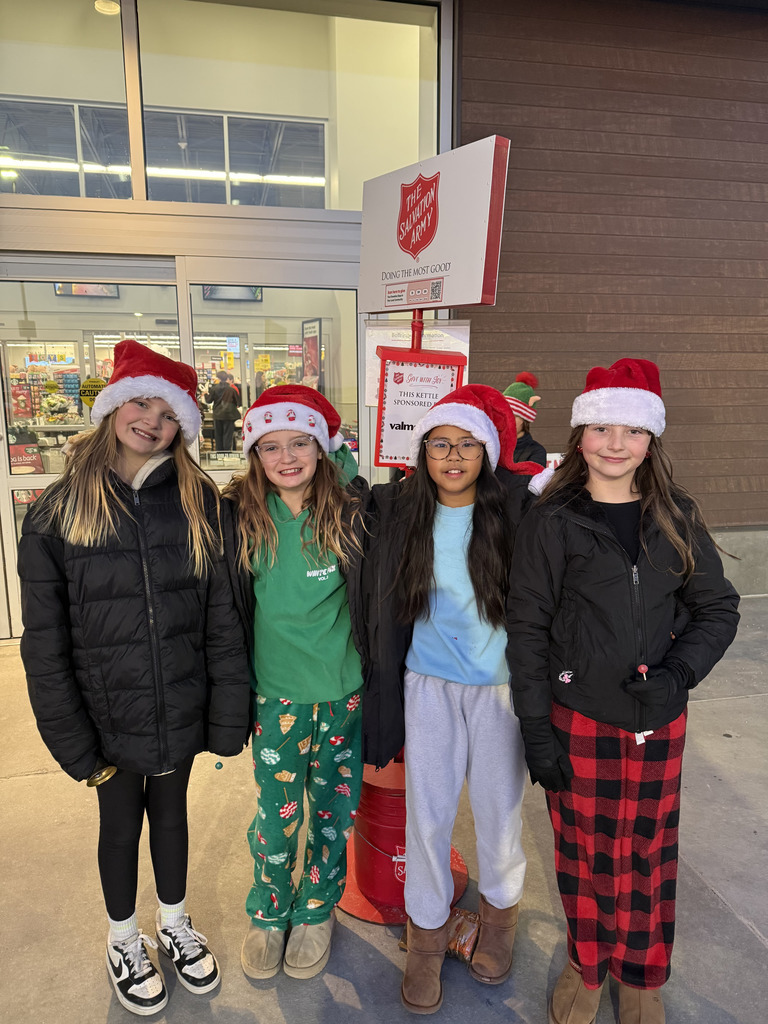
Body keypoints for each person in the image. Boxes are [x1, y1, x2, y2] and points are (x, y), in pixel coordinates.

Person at [17, 339, 250, 1018]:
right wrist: (71, 738)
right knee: (119, 827)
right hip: (105, 715)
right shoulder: (58, 512)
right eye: (139, 402)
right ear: (114, 406)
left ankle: (173, 922)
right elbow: (45, 642)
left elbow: (222, 618)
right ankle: (123, 938)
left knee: (172, 816)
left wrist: (226, 709)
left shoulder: (199, 502)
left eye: (167, 411)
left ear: (183, 426)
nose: (151, 420)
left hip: (179, 701)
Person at [506, 358, 740, 1024]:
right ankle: (589, 965)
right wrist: (535, 730)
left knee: (647, 850)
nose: (615, 444)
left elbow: (717, 607)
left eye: (631, 431)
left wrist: (677, 675)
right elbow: (527, 630)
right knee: (582, 851)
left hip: (655, 720)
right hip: (576, 717)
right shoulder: (552, 521)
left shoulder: (675, 516)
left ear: (651, 441)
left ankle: (640, 972)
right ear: (579, 435)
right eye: (600, 428)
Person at [362, 384, 543, 1014]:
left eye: (468, 443)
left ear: (488, 452)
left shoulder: (519, 511)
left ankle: (499, 917)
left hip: (498, 691)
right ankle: (427, 935)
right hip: (427, 685)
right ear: (423, 452)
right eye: (440, 443)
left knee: (499, 810)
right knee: (429, 814)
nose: (454, 456)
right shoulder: (399, 510)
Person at [221, 385, 367, 982]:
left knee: (332, 808)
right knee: (277, 812)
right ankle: (270, 908)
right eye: (272, 446)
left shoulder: (353, 511)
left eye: (301, 442)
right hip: (274, 692)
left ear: (322, 447)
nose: (287, 457)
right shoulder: (240, 516)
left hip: (341, 690)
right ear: (255, 454)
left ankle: (316, 908)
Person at [503, 371, 547, 467]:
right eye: (503, 415)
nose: (506, 421)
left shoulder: (536, 452)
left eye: (512, 416)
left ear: (524, 419)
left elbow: (527, 480)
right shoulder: (491, 446)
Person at [206, 369, 240, 451]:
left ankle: (219, 454)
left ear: (218, 378)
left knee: (218, 435)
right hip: (229, 415)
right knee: (228, 435)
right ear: (227, 378)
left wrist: (206, 394)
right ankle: (227, 454)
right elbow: (237, 402)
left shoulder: (214, 389)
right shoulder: (232, 390)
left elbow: (209, 401)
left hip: (218, 415)